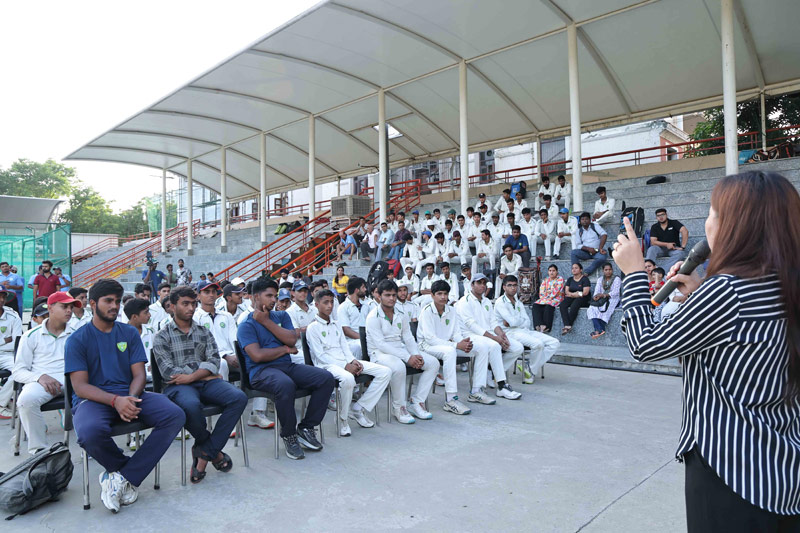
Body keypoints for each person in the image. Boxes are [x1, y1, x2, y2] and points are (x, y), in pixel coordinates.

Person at [612, 171, 800, 529]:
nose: (708, 223)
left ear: (737, 226)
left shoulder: (728, 290)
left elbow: (643, 344)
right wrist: (700, 296)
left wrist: (634, 273)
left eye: (713, 213)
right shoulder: (782, 283)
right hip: (781, 470)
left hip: (731, 471)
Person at [64, 279, 185, 513]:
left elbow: (139, 375)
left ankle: (122, 477)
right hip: (94, 400)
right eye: (108, 301)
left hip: (130, 394)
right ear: (92, 304)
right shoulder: (77, 339)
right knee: (89, 433)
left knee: (174, 414)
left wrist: (129, 398)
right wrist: (115, 401)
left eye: (117, 301)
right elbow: (80, 387)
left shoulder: (128, 332)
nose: (114, 306)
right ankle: (124, 470)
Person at [152, 285, 247, 484]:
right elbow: (168, 372)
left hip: (201, 383)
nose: (191, 308)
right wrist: (202, 373)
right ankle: (214, 453)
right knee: (191, 406)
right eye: (185, 304)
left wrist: (191, 376)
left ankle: (204, 452)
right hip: (179, 387)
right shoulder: (162, 336)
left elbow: (214, 361)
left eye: (193, 304)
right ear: (172, 306)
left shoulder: (204, 332)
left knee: (238, 397)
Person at [236, 279, 334, 460]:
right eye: (269, 296)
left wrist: (266, 322)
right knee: (285, 384)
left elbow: (291, 339)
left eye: (275, 296)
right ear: (256, 297)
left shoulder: (281, 316)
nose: (274, 300)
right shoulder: (246, 325)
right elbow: (257, 356)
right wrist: (284, 350)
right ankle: (289, 435)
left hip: (285, 366)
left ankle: (306, 428)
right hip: (261, 372)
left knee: (325, 378)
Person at [306, 289, 391, 437]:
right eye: (325, 302)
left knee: (385, 372)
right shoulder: (312, 328)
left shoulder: (336, 324)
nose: (330, 305)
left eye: (331, 302)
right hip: (326, 366)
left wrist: (353, 361)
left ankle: (358, 408)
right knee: (348, 379)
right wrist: (345, 366)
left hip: (344, 361)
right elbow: (320, 356)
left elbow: (344, 347)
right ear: (317, 304)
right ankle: (342, 419)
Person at [365, 280, 439, 423]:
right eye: (387, 295)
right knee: (399, 366)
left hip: (399, 350)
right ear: (379, 296)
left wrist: (416, 354)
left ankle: (417, 402)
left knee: (433, 363)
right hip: (379, 354)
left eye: (394, 295)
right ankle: (399, 408)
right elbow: (381, 344)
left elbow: (408, 337)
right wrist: (407, 357)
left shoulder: (401, 313)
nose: (392, 298)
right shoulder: (373, 316)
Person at [13, 292, 78, 453]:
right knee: (26, 401)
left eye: (71, 307)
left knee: (95, 395)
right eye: (64, 306)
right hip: (42, 383)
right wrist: (39, 377)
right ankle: (39, 452)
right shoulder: (30, 336)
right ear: (50, 308)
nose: (69, 311)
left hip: (72, 381)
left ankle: (91, 447)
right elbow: (18, 371)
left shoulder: (77, 334)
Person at [417, 280, 492, 414]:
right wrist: (457, 345)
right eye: (439, 294)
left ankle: (476, 391)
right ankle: (451, 400)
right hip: (427, 346)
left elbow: (456, 333)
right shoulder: (426, 311)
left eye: (445, 294)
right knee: (450, 352)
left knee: (481, 348)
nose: (443, 297)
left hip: (447, 345)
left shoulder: (452, 310)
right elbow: (430, 339)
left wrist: (464, 343)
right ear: (432, 295)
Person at [455, 275, 521, 399]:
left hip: (488, 334)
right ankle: (501, 386)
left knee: (517, 347)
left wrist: (502, 335)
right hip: (470, 335)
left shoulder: (486, 301)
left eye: (484, 283)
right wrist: (495, 338)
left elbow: (493, 322)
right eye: (479, 283)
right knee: (495, 345)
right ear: (472, 285)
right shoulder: (464, 301)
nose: (482, 285)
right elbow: (472, 325)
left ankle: (491, 369)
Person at [494, 275, 559, 384]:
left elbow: (527, 322)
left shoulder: (518, 302)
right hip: (509, 332)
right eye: (509, 285)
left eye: (515, 285)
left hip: (524, 331)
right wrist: (516, 321)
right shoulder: (500, 302)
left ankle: (529, 367)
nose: (513, 288)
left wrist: (514, 322)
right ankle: (530, 370)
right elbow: (513, 322)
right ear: (504, 287)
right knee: (538, 344)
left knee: (554, 343)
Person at [0, 288, 23, 418]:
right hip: (5, 350)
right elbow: (10, 340)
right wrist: (4, 340)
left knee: (19, 370)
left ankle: (0, 403)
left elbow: (17, 341)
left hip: (6, 354)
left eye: (3, 297)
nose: (2, 300)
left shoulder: (13, 316)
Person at [585, 262, 621, 340]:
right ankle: (599, 329)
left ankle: (599, 330)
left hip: (613, 298)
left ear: (612, 270)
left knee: (606, 308)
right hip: (602, 299)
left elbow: (616, 292)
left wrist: (604, 295)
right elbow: (597, 290)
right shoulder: (600, 279)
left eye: (610, 269)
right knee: (592, 308)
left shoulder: (616, 279)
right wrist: (596, 296)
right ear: (603, 271)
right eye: (606, 270)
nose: (608, 271)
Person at [338, 277, 369, 359]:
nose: (365, 289)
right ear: (356, 290)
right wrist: (363, 339)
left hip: (367, 338)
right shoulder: (343, 307)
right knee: (359, 346)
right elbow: (346, 330)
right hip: (351, 342)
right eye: (363, 287)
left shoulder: (366, 305)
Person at [286, 280, 316, 365]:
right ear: (293, 293)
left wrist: (304, 329)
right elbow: (296, 333)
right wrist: (313, 327)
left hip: (315, 345)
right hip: (300, 349)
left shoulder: (314, 309)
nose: (303, 293)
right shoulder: (290, 312)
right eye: (299, 291)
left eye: (305, 291)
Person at [123, 298, 155, 376]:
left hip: (151, 375)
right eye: (146, 312)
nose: (149, 315)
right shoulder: (121, 334)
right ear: (134, 317)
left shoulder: (151, 331)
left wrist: (154, 365)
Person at [559, 263, 591, 335]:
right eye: (572, 268)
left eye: (576, 268)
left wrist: (575, 294)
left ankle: (568, 325)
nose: (574, 269)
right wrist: (573, 294)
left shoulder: (585, 279)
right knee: (563, 305)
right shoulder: (570, 279)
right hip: (572, 296)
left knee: (574, 305)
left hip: (583, 297)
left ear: (581, 270)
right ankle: (567, 325)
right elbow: (566, 291)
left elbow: (585, 292)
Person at [532, 265, 565, 333]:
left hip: (556, 298)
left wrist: (549, 297)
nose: (551, 272)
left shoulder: (560, 279)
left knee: (548, 306)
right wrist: (544, 298)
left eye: (553, 271)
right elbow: (542, 290)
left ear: (557, 272)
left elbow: (556, 290)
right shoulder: (546, 280)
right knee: (535, 305)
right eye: (550, 271)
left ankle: (546, 326)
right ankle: (538, 324)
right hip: (546, 298)